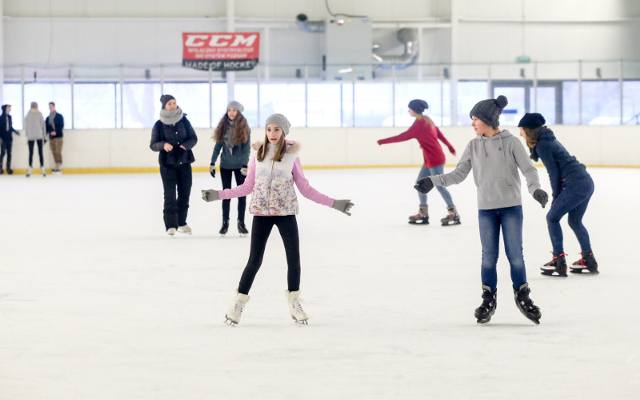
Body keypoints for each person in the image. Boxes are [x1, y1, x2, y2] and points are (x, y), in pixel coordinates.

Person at [201, 113, 354, 326]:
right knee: (254, 260)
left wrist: (334, 203)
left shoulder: (292, 157)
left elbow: (306, 189)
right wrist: (219, 194)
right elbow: (246, 187)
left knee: (294, 259)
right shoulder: (258, 156)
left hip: (286, 214)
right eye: (269, 129)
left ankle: (294, 302)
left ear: (284, 132)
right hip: (261, 214)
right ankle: (238, 303)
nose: (272, 133)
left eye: (277, 129)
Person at [415, 96, 548, 325]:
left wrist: (535, 190)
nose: (473, 123)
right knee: (488, 258)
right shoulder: (473, 146)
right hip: (486, 209)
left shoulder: (511, 143)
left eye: (475, 119)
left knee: (515, 256)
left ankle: (523, 296)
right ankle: (488, 299)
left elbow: (529, 170)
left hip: (511, 208)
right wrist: (432, 180)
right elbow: (458, 174)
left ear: (488, 119)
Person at [518, 113, 598, 276]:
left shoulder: (543, 145)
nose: (520, 133)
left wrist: (555, 196)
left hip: (575, 184)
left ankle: (558, 260)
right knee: (575, 221)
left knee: (552, 218)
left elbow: (553, 173)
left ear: (529, 130)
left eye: (522, 129)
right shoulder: (548, 139)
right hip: (585, 182)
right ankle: (589, 260)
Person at [377, 99, 460, 226]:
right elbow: (439, 133)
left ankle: (453, 213)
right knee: (420, 184)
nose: (408, 111)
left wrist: (383, 141)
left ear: (414, 110)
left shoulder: (420, 124)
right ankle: (423, 213)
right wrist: (449, 146)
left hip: (435, 159)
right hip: (430, 159)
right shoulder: (425, 120)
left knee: (439, 186)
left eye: (409, 108)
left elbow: (402, 136)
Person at [149, 94, 198, 236]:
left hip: (184, 161)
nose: (172, 105)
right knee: (169, 194)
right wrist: (163, 145)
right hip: (167, 164)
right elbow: (153, 145)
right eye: (169, 103)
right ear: (164, 106)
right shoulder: (159, 125)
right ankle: (170, 225)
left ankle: (182, 223)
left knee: (185, 193)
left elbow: (193, 138)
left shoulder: (184, 121)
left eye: (174, 103)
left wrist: (185, 145)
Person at [210, 101, 252, 235]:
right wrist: (212, 162)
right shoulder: (222, 126)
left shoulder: (245, 128)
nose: (231, 112)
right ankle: (225, 223)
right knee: (226, 194)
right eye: (229, 110)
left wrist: (245, 164)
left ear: (239, 112)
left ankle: (241, 223)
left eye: (234, 110)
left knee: (241, 195)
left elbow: (246, 149)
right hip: (226, 165)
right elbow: (218, 147)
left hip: (240, 166)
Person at [24, 102, 47, 177]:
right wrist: (44, 136)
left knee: (31, 153)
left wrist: (27, 136)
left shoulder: (28, 115)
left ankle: (31, 169)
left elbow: (26, 126)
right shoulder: (39, 114)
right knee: (40, 153)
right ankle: (42, 168)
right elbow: (43, 125)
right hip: (38, 136)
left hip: (32, 136)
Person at [0, 104, 21, 175]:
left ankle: (8, 169)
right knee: (2, 153)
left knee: (9, 153)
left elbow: (10, 127)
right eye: (8, 108)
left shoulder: (9, 117)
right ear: (5, 109)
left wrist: (15, 131)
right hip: (3, 138)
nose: (10, 109)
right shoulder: (1, 118)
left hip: (9, 138)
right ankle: (0, 168)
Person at [45, 102, 64, 174]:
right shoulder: (48, 118)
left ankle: (59, 166)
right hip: (51, 137)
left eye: (51, 106)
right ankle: (56, 166)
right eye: (49, 107)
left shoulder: (59, 116)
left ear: (54, 107)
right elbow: (46, 128)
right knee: (53, 152)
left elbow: (61, 125)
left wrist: (56, 132)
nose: (50, 108)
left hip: (58, 137)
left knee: (58, 151)